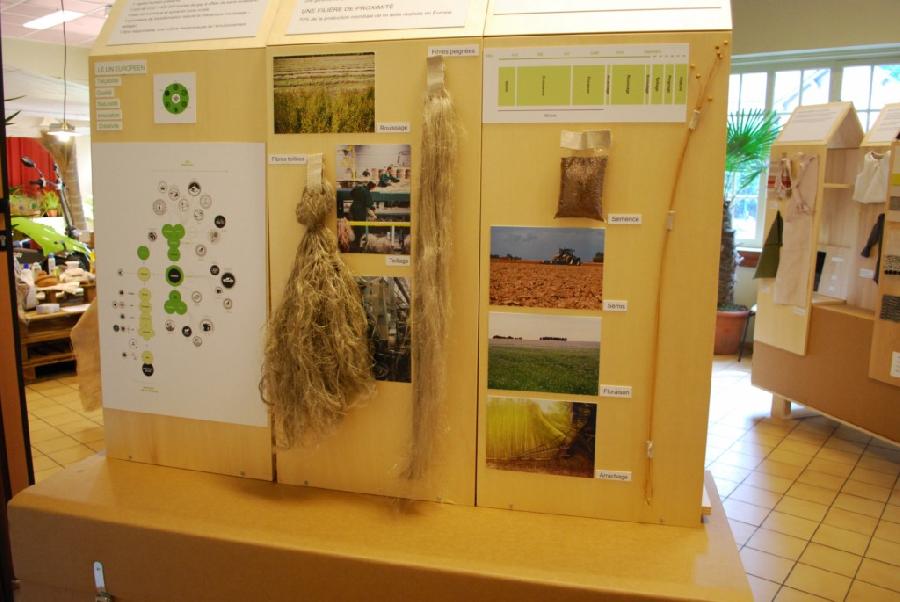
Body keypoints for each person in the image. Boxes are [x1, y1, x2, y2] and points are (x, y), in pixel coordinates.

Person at [349, 182, 377, 251]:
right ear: (372, 187)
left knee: (354, 227)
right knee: (360, 229)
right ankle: (358, 247)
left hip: (353, 209)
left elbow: (351, 194)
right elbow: (368, 207)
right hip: (360, 211)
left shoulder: (359, 188)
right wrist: (373, 216)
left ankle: (354, 244)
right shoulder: (367, 192)